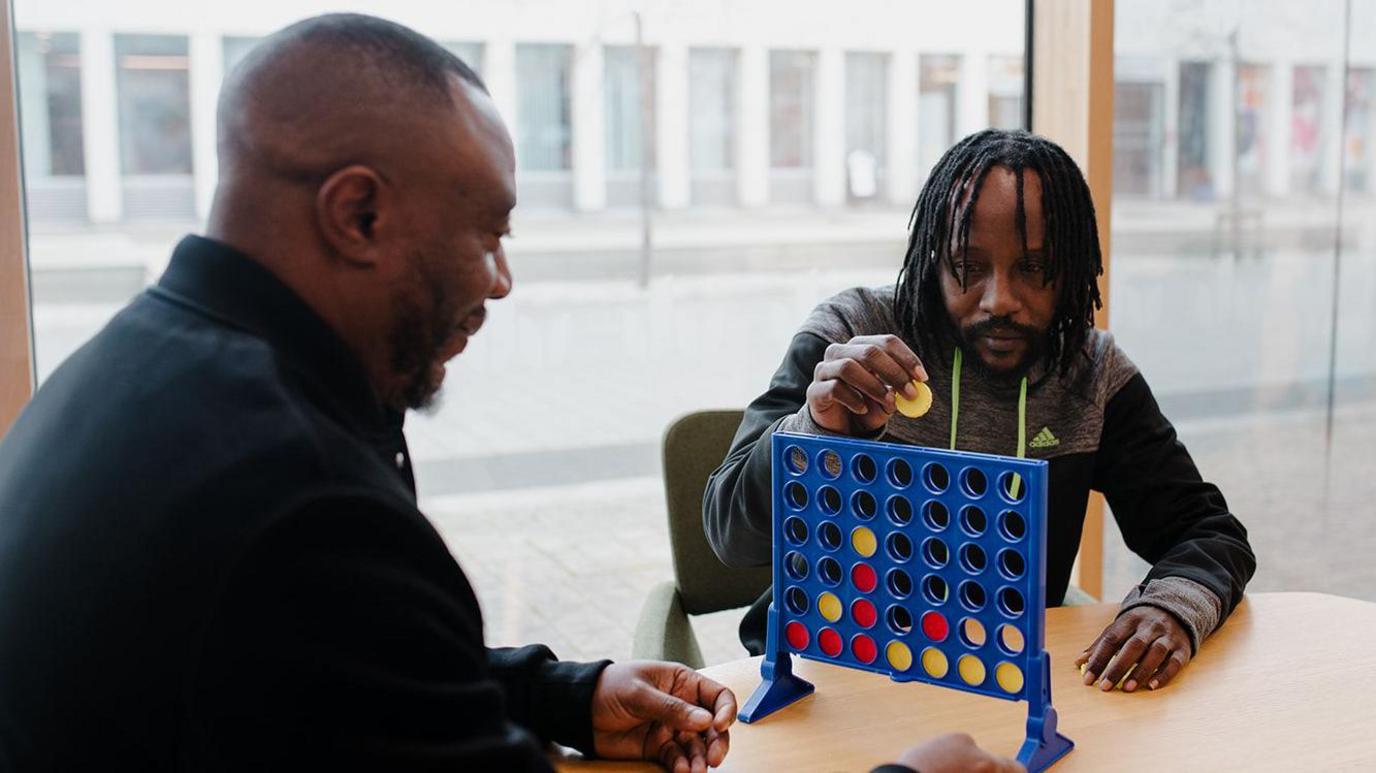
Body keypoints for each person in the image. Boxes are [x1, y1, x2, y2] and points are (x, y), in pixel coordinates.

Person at [0, 14, 1019, 773]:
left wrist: (561, 694)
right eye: (486, 232)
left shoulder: (123, 375)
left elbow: (326, 668)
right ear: (356, 212)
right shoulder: (295, 497)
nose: (499, 278)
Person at [704, 129, 1256, 695]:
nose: (1000, 300)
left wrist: (1171, 609)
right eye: (968, 266)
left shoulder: (1092, 374)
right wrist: (814, 432)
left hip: (1000, 681)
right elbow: (728, 536)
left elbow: (1208, 532)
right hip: (830, 681)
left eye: (1034, 268)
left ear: (1071, 270)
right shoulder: (851, 334)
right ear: (931, 259)